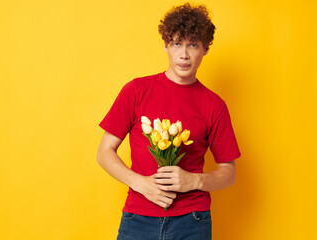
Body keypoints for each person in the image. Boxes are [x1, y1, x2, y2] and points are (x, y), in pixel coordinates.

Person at [97, 3, 241, 240]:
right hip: (138, 217)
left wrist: (193, 180)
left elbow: (229, 172)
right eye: (177, 43)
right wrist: (141, 184)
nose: (184, 54)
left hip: (192, 220)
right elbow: (104, 152)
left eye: (192, 45)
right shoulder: (136, 90)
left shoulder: (214, 105)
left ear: (205, 49)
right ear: (166, 46)